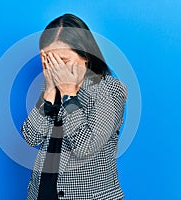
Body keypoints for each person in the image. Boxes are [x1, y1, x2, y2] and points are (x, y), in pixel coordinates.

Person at [21, 13, 127, 200]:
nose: (56, 70)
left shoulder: (110, 90)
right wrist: (49, 94)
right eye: (50, 61)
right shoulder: (49, 86)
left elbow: (85, 147)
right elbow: (31, 137)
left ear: (85, 56)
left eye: (63, 61)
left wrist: (69, 95)